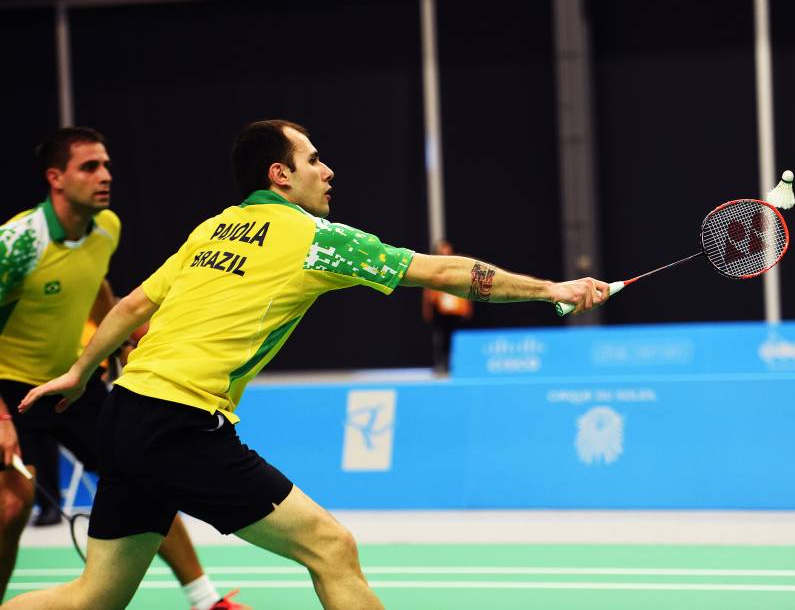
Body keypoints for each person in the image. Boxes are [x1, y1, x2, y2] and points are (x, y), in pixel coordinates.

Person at [6, 119, 610, 609]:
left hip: (125, 411)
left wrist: (81, 372)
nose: (328, 170)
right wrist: (553, 288)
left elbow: (134, 304)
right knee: (331, 548)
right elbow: (449, 273)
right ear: (281, 175)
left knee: (94, 597)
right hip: (179, 420)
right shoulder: (315, 236)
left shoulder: (213, 229)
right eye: (314, 159)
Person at [0, 127, 244, 609]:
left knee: (146, 470)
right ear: (56, 178)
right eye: (90, 167)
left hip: (70, 380)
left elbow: (94, 285)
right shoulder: (18, 242)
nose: (105, 175)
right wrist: (1, 418)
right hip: (9, 384)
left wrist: (122, 339)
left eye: (107, 165)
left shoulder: (106, 227)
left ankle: (206, 600)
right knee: (12, 504)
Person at [422, 239, 473, 373]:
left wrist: (467, 307)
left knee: (456, 337)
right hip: (440, 308)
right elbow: (428, 289)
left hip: (455, 307)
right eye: (442, 249)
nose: (445, 251)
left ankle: (456, 364)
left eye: (446, 248)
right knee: (441, 338)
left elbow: (466, 285)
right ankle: (441, 364)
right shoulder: (433, 264)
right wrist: (427, 308)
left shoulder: (458, 263)